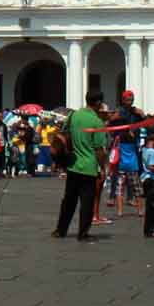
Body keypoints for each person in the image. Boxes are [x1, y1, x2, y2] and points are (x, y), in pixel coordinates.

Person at [53, 91, 106, 240]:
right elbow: (99, 149)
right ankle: (83, 233)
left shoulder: (74, 115)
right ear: (97, 103)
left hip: (73, 164)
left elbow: (64, 133)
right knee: (87, 202)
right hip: (89, 167)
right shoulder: (97, 122)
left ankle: (60, 230)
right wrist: (103, 168)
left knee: (68, 200)